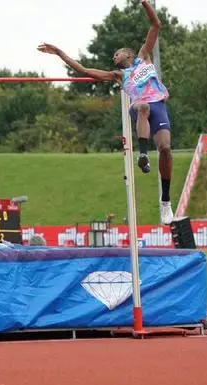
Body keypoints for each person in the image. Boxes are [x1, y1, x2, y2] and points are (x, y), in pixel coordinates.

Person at [37, 0, 174, 224]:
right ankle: (142, 154)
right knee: (142, 107)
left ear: (128, 54)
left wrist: (143, 3)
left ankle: (166, 202)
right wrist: (60, 53)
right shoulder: (118, 76)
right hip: (140, 108)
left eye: (116, 54)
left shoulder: (144, 57)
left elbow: (155, 24)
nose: (114, 58)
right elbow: (82, 70)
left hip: (158, 106)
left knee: (166, 149)